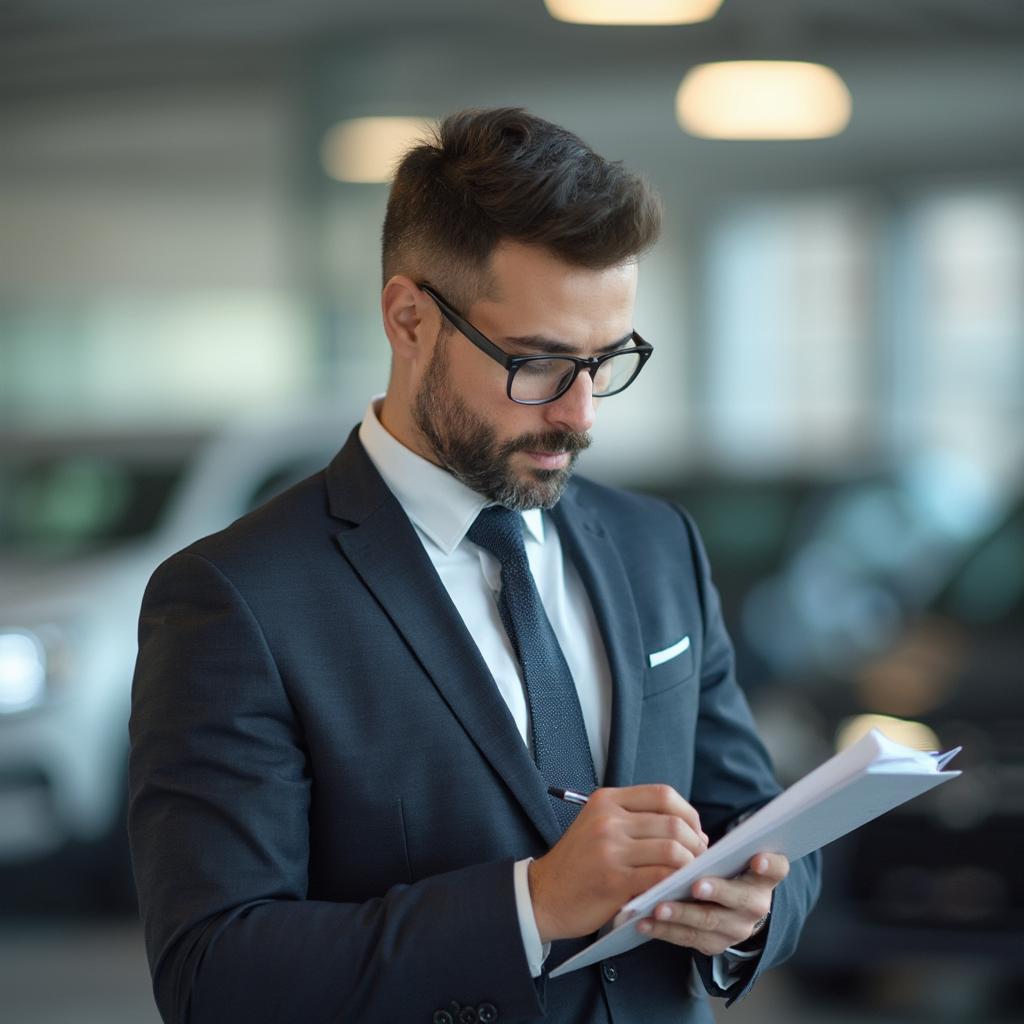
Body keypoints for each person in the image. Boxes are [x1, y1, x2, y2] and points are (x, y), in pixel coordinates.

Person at [128, 107, 820, 1024]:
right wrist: (529, 908)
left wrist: (755, 909)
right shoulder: (237, 599)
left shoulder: (659, 546)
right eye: (537, 364)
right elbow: (214, 976)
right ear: (410, 317)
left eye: (606, 361)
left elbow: (762, 826)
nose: (581, 416)